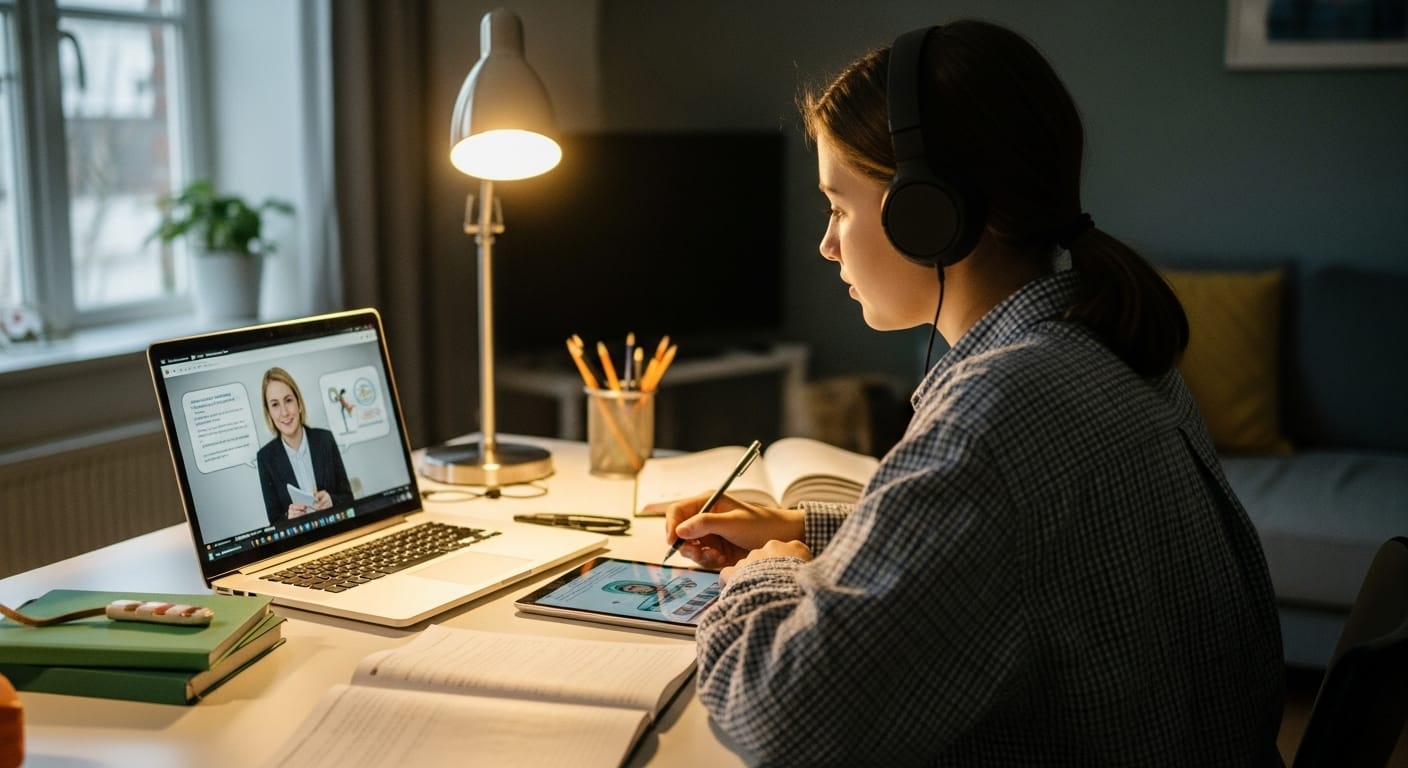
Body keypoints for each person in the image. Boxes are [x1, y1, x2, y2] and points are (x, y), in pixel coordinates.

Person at [650, 20, 1285, 766]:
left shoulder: (996, 413)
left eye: (838, 206)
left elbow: (789, 724)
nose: (827, 244)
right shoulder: (1107, 344)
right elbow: (1010, 546)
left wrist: (770, 571)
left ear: (927, 215)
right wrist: (807, 529)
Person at [256, 366, 354, 524]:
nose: (284, 412)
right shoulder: (265, 458)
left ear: (298, 403)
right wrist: (290, 518)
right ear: (268, 413)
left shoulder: (325, 439)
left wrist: (332, 500)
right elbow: (274, 523)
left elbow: (349, 498)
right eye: (275, 405)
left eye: (288, 400)